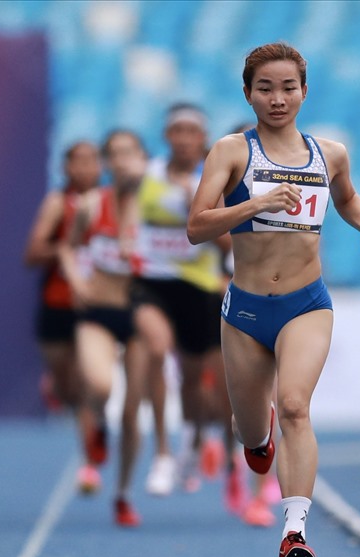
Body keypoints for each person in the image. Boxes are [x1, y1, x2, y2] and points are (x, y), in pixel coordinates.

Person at [186, 42, 360, 557]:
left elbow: (346, 198)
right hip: (246, 312)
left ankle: (294, 532)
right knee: (254, 435)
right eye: (265, 88)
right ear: (248, 94)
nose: (278, 98)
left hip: (306, 303)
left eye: (288, 88)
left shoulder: (331, 154)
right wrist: (255, 203)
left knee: (296, 405)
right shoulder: (231, 152)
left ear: (304, 92)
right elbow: (196, 227)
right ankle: (257, 435)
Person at [127, 103, 231, 497]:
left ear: (203, 139)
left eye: (192, 132)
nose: (185, 139)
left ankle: (191, 439)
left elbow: (227, 245)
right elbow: (126, 216)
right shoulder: (146, 175)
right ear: (166, 136)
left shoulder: (213, 181)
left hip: (198, 285)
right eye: (178, 131)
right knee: (156, 348)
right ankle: (163, 453)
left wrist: (199, 211)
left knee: (193, 379)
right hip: (152, 282)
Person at [59, 129, 149, 527]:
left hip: (142, 316)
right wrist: (76, 282)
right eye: (115, 154)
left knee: (132, 412)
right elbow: (67, 247)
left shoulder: (158, 207)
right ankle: (96, 424)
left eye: (131, 153)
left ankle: (124, 493)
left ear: (144, 159)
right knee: (99, 385)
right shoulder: (91, 205)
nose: (123, 161)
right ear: (107, 163)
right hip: (98, 310)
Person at [23, 141, 104, 494]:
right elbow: (32, 254)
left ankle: (89, 464)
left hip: (95, 306)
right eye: (78, 162)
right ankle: (56, 386)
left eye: (92, 161)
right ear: (65, 168)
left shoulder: (110, 201)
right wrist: (67, 248)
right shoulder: (58, 203)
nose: (85, 168)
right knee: (67, 386)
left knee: (88, 384)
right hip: (57, 303)